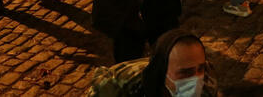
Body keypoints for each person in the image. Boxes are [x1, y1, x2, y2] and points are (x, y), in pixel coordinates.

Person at [87, 29, 217, 97]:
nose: (196, 79)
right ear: (163, 71)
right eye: (184, 73)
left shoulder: (207, 85)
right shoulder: (115, 87)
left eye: (201, 69)